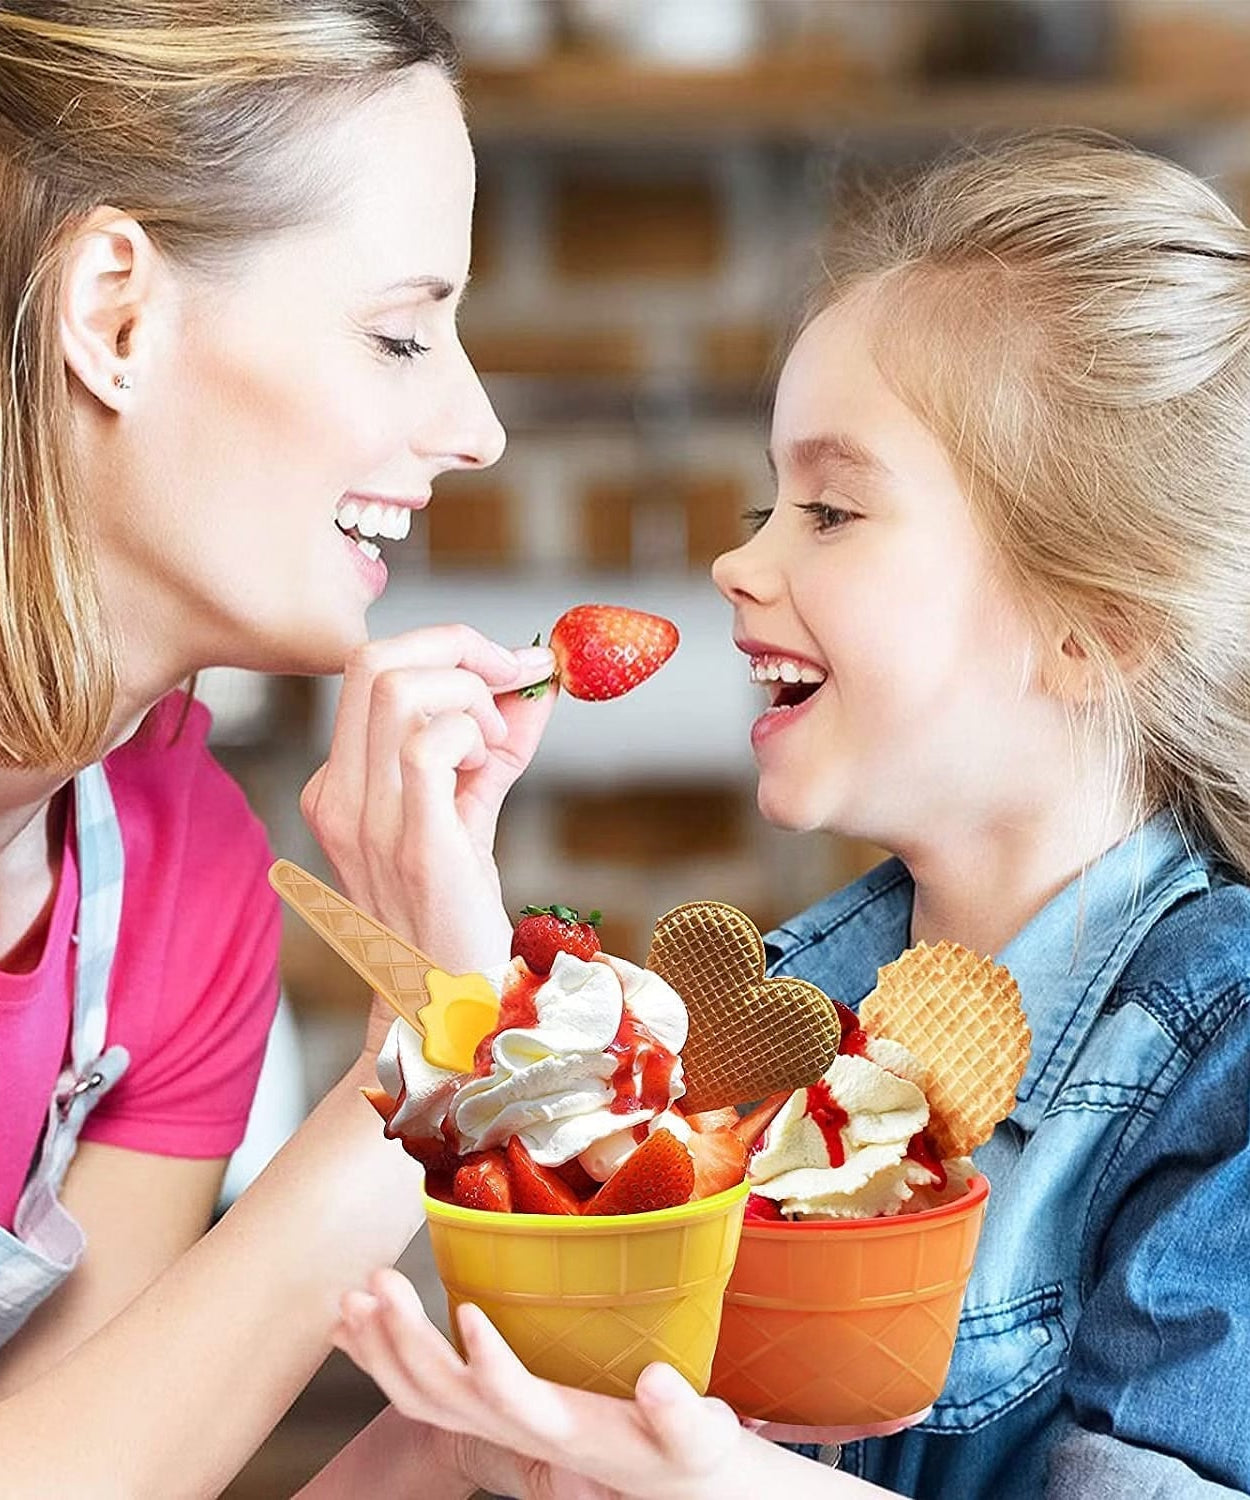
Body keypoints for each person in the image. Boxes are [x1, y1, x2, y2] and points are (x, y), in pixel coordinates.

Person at [334, 133, 1250, 1499]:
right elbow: (541, 1380)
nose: (734, 558)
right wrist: (457, 952)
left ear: (1089, 633)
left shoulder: (1221, 1043)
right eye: (771, 500)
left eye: (828, 510)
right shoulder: (764, 1024)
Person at [0, 4, 559, 1495]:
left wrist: (501, 1436)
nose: (475, 424)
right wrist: (426, 1075)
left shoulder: (174, 878)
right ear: (115, 317)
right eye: (397, 333)